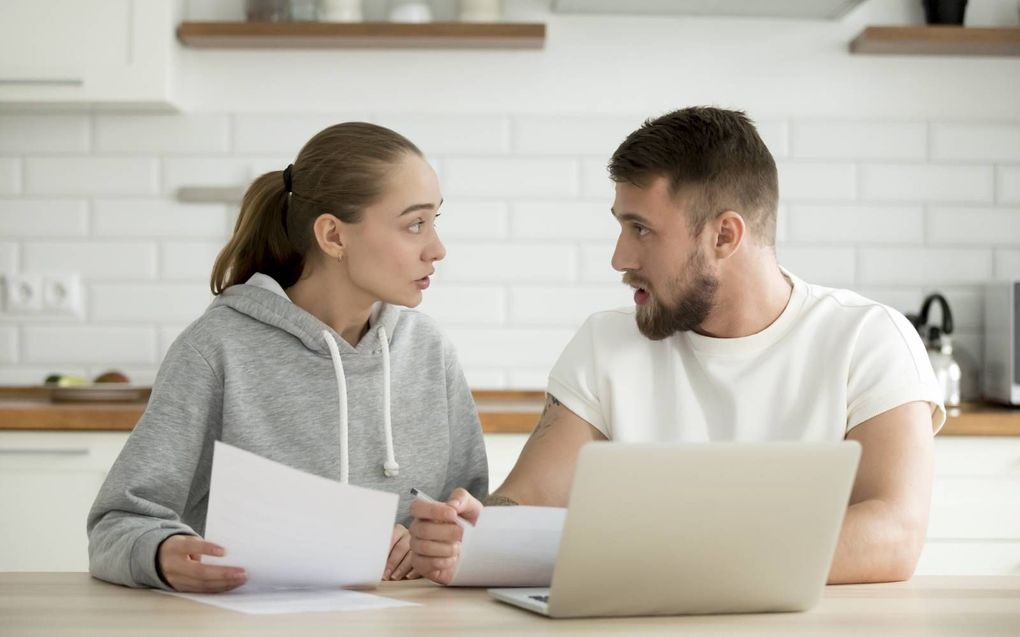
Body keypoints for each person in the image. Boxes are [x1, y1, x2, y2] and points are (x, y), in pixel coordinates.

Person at [408, 106, 945, 586]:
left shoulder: (868, 339)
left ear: (724, 237)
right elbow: (530, 501)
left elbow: (893, 534)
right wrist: (472, 528)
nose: (620, 257)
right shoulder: (607, 344)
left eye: (641, 229)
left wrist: (687, 558)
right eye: (621, 227)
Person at [87, 122, 488, 593]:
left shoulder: (428, 352)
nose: (437, 249)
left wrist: (443, 539)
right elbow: (116, 527)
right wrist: (161, 554)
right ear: (334, 236)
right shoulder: (217, 349)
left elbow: (469, 523)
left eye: (435, 221)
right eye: (414, 224)